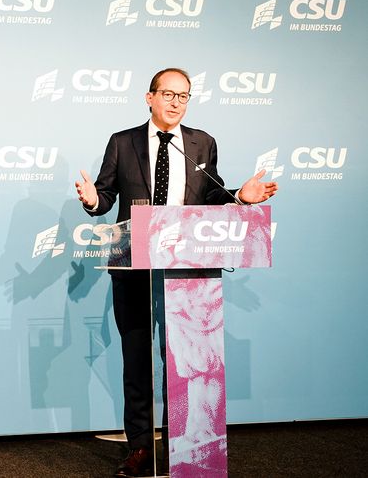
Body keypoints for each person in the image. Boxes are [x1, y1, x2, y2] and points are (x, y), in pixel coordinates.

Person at [74, 68, 277, 477]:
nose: (176, 102)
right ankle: (139, 448)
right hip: (134, 268)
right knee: (137, 359)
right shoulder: (122, 142)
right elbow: (107, 194)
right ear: (149, 97)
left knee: (184, 360)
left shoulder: (202, 143)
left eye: (184, 96)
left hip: (189, 271)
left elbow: (213, 193)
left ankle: (184, 443)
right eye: (168, 94)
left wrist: (240, 196)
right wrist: (95, 201)